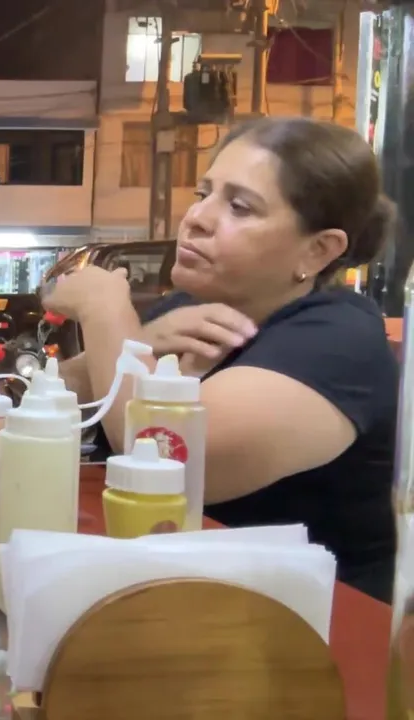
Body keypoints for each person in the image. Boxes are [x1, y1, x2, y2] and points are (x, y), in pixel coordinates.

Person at [44, 117, 397, 601]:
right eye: (203, 194)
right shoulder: (185, 309)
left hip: (311, 626)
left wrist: (105, 310)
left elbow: (165, 460)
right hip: (173, 599)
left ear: (318, 250)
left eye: (239, 207)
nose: (197, 218)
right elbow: (60, 397)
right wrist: (141, 340)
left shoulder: (338, 339)